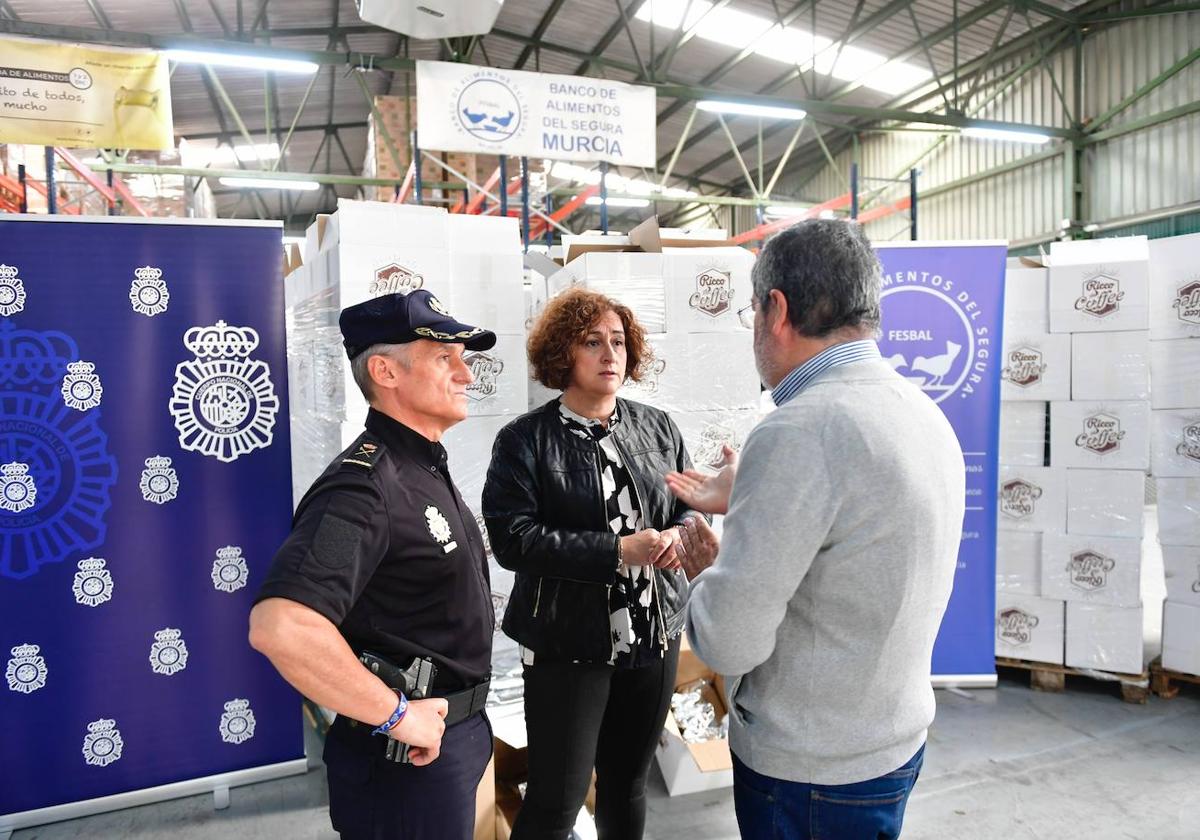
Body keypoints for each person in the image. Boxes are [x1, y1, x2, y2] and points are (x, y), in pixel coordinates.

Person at [666, 219, 966, 840]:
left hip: (810, 770)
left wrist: (706, 572)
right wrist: (752, 494)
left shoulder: (801, 431)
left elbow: (730, 643)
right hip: (888, 738)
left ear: (776, 309)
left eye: (751, 311)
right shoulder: (920, 410)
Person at [249, 290, 497, 840]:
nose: (465, 373)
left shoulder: (420, 466)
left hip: (450, 739)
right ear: (385, 371)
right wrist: (395, 715)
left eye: (463, 357)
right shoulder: (364, 487)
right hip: (403, 760)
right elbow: (283, 627)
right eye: (443, 358)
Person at [482, 287, 703, 840]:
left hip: (653, 635)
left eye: (619, 342)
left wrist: (680, 534)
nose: (611, 354)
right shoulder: (524, 441)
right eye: (592, 341)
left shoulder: (658, 428)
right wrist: (617, 552)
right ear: (563, 355)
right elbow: (513, 540)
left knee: (628, 787)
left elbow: (687, 509)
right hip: (567, 644)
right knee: (556, 801)